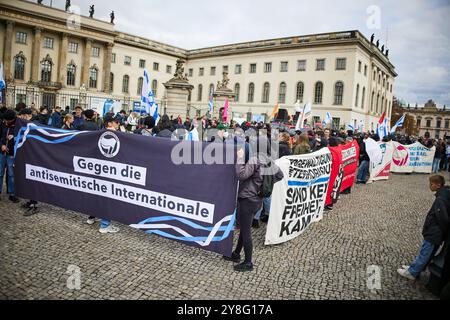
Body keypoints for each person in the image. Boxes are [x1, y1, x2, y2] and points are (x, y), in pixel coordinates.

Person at [398, 175, 450, 280]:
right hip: (435, 232)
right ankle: (415, 267)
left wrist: (433, 229)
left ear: (438, 185)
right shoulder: (444, 194)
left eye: (431, 184)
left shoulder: (440, 199)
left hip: (435, 232)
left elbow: (443, 218)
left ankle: (413, 272)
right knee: (426, 252)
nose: (429, 186)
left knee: (425, 253)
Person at [0, 109, 20, 203]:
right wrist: (2, 145)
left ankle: (12, 193)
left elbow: (21, 138)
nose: (6, 122)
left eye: (8, 120)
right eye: (5, 120)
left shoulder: (18, 125)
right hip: (1, 152)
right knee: (0, 173)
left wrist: (13, 138)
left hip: (11, 153)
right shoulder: (2, 123)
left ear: (12, 119)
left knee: (11, 174)